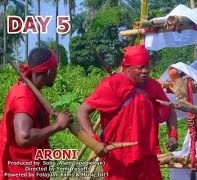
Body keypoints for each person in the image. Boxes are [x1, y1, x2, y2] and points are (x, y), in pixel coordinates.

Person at [77, 45, 179, 180]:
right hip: (118, 159)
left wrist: (173, 135)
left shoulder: (153, 86)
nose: (145, 71)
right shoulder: (112, 85)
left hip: (147, 158)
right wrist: (95, 142)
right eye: (140, 68)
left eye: (147, 67)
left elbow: (170, 110)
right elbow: (82, 111)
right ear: (128, 68)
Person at [0, 47, 73, 179]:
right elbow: (24, 137)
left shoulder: (31, 89)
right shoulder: (24, 97)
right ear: (49, 71)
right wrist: (57, 126)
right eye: (56, 70)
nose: (56, 74)